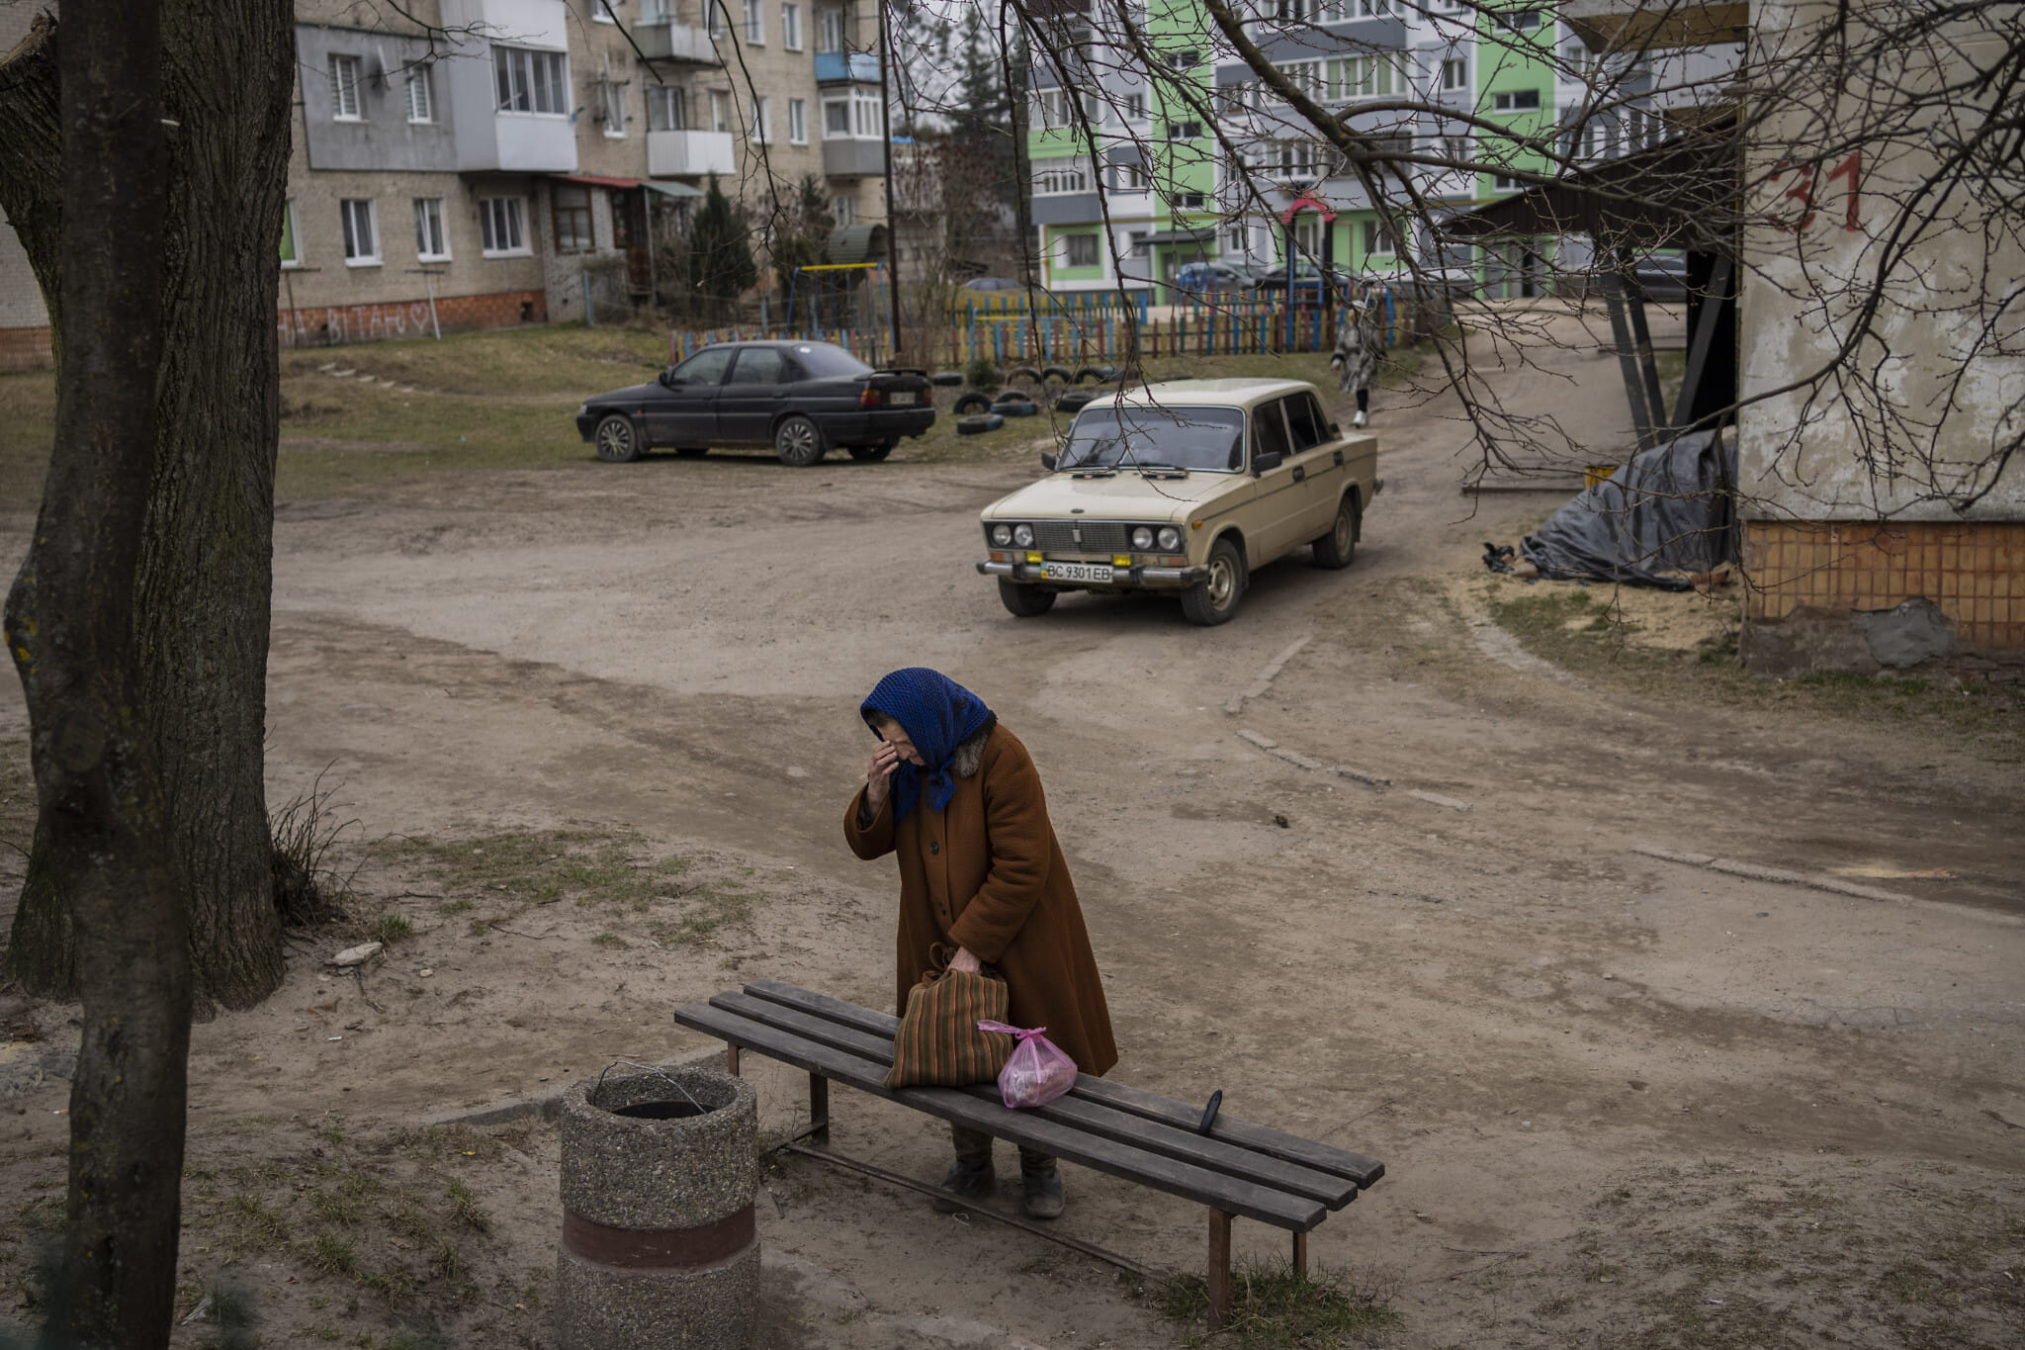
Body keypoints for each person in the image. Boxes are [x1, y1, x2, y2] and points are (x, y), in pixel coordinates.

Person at [843, 668, 1117, 1220]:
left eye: (903, 740)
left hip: (1018, 938)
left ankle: (1040, 1165)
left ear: (931, 723)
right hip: (933, 931)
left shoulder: (1003, 757)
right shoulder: (910, 766)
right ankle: (972, 1161)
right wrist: (875, 792)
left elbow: (1023, 866)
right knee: (953, 1044)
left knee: (1028, 1050)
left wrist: (973, 946)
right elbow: (867, 844)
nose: (898, 752)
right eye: (887, 743)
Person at [1329, 294, 1381, 428]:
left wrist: (1381, 356)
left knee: (1362, 383)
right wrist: (1337, 360)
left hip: (1367, 360)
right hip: (1351, 361)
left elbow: (1376, 344)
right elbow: (1340, 346)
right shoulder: (1345, 329)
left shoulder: (1370, 327)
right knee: (1358, 386)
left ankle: (1360, 413)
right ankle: (1363, 414)